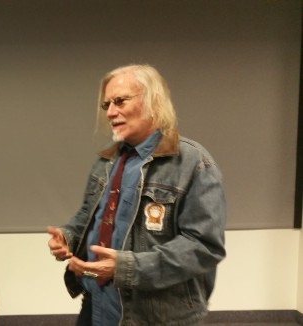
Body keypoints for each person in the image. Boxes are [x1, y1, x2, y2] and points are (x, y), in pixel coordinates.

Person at [47, 64, 226, 325]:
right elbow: (88, 217)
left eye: (120, 101)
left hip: (156, 315)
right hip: (97, 304)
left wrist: (126, 268)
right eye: (106, 105)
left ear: (154, 100)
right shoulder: (106, 162)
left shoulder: (192, 163)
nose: (110, 112)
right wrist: (68, 236)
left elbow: (204, 247)